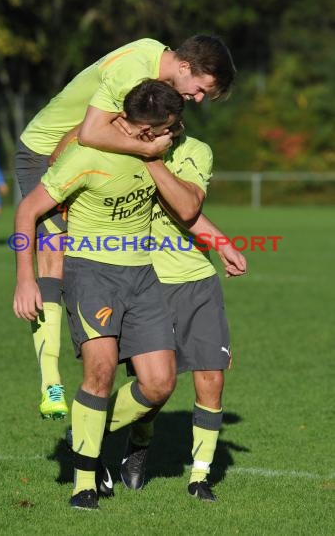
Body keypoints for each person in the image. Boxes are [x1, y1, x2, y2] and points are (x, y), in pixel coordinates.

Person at [15, 34, 236, 419]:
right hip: (43, 152)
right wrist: (148, 151)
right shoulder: (133, 72)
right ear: (184, 67)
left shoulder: (155, 66)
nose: (198, 99)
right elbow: (87, 134)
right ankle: (50, 382)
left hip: (81, 153)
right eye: (200, 89)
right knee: (52, 259)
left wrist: (218, 241)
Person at [13, 80, 207, 510]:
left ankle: (86, 431)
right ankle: (84, 481)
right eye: (165, 130)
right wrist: (26, 279)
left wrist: (152, 157)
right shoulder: (87, 158)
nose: (172, 136)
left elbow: (190, 208)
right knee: (99, 372)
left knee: (159, 384)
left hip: (143, 275)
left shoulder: (162, 154)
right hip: (91, 275)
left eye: (174, 129)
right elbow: (29, 210)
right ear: (138, 128)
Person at [113, 127, 247, 502]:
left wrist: (221, 245)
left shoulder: (196, 151)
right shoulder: (120, 148)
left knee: (211, 376)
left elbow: (187, 208)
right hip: (143, 282)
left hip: (196, 282)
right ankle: (137, 442)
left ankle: (200, 476)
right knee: (154, 386)